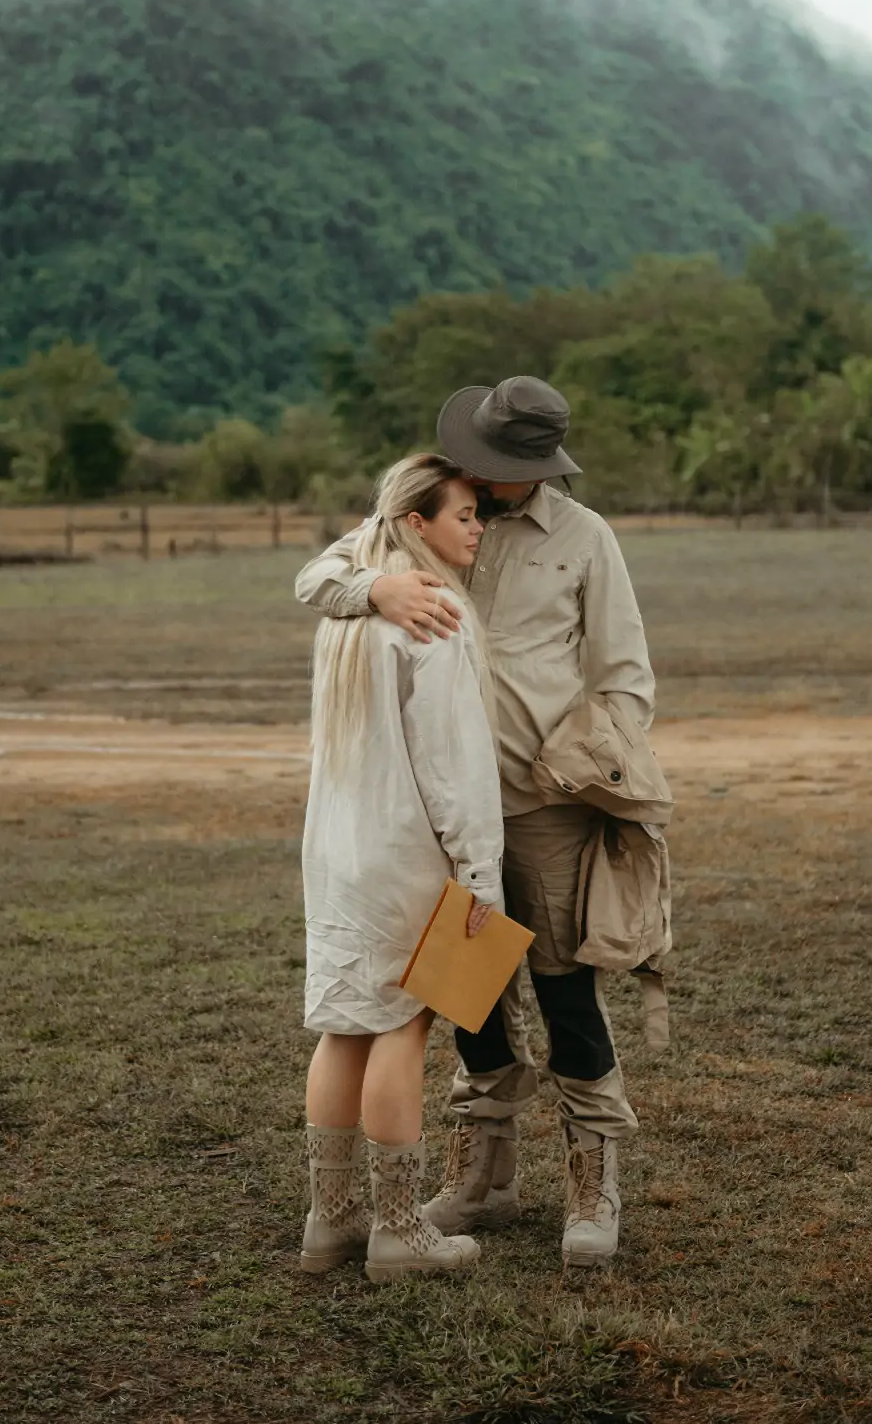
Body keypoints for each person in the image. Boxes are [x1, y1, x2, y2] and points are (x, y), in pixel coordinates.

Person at [296, 376, 657, 1270]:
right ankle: (480, 1170)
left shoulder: (584, 539)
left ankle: (591, 1178)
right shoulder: (430, 512)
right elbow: (316, 577)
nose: (487, 491)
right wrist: (375, 590)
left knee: (566, 989)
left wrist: (587, 762)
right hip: (436, 822)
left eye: (503, 474)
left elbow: (625, 678)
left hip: (542, 809)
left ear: (539, 466)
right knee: (466, 1000)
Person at [299, 452, 506, 1284]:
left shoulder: (353, 606)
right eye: (463, 515)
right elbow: (453, 764)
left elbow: (325, 569)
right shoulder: (434, 615)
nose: (477, 528)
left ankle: (330, 1221)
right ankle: (396, 1232)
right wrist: (481, 874)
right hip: (408, 853)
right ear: (418, 523)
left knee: (342, 1026)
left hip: (339, 853)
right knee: (401, 1027)